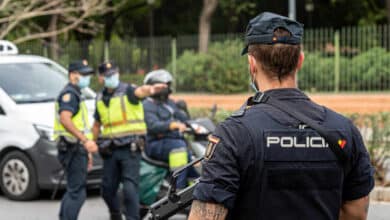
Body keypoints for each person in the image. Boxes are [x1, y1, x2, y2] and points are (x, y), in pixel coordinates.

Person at [189, 12, 375, 220]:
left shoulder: (234, 133)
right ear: (300, 61)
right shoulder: (344, 129)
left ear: (252, 64)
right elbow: (356, 213)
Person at [92, 62, 166, 220]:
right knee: (107, 189)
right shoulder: (99, 97)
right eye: (108, 75)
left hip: (130, 147)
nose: (112, 77)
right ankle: (116, 214)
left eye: (114, 73)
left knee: (129, 188)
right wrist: (91, 143)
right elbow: (97, 124)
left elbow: (140, 91)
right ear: (100, 78)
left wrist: (150, 90)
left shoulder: (128, 91)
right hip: (109, 149)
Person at [53, 59, 98, 220]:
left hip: (75, 149)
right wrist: (86, 141)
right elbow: (65, 119)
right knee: (77, 193)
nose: (88, 78)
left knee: (74, 190)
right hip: (73, 149)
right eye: (84, 74)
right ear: (73, 75)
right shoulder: (70, 95)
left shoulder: (76, 94)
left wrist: (88, 152)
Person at [142, 69, 198, 189]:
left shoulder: (169, 103)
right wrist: (171, 124)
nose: (168, 88)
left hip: (172, 141)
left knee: (190, 157)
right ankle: (178, 189)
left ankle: (195, 188)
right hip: (155, 143)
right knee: (180, 149)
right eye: (165, 85)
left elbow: (182, 117)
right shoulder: (147, 105)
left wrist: (194, 124)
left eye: (168, 85)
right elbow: (153, 126)